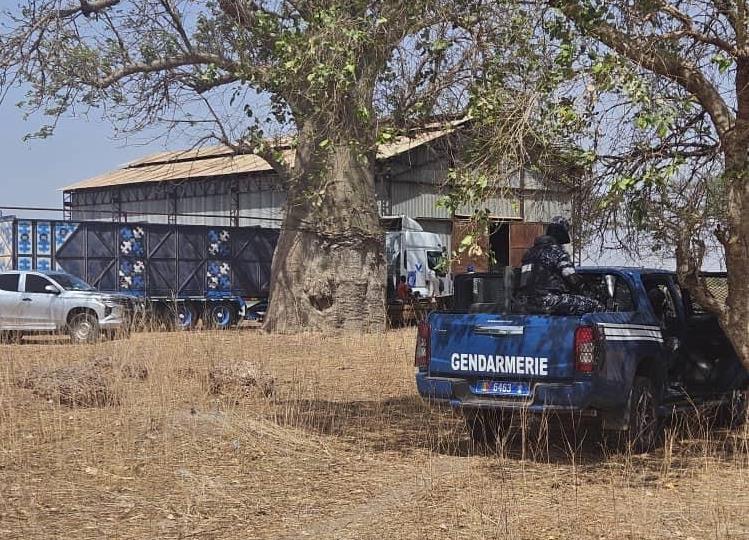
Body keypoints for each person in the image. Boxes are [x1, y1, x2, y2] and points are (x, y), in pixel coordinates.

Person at [516, 216, 604, 315]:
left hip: (526, 304)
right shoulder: (556, 252)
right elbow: (572, 278)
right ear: (562, 234)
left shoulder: (529, 253)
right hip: (547, 301)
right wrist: (589, 292)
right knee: (596, 306)